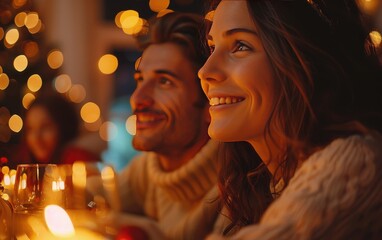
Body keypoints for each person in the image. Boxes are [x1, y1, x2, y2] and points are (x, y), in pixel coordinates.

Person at [198, 0, 382, 239]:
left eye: (240, 46)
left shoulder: (355, 163)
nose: (205, 71)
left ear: (305, 62)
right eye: (212, 48)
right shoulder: (256, 183)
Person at [103, 12, 222, 239]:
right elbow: (75, 196)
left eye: (164, 82)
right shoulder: (149, 169)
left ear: (210, 102)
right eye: (141, 80)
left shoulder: (237, 187)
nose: (137, 99)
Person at [12, 90, 100, 168]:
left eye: (45, 127)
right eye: (30, 129)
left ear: (63, 127)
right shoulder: (23, 162)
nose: (36, 137)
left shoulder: (79, 163)